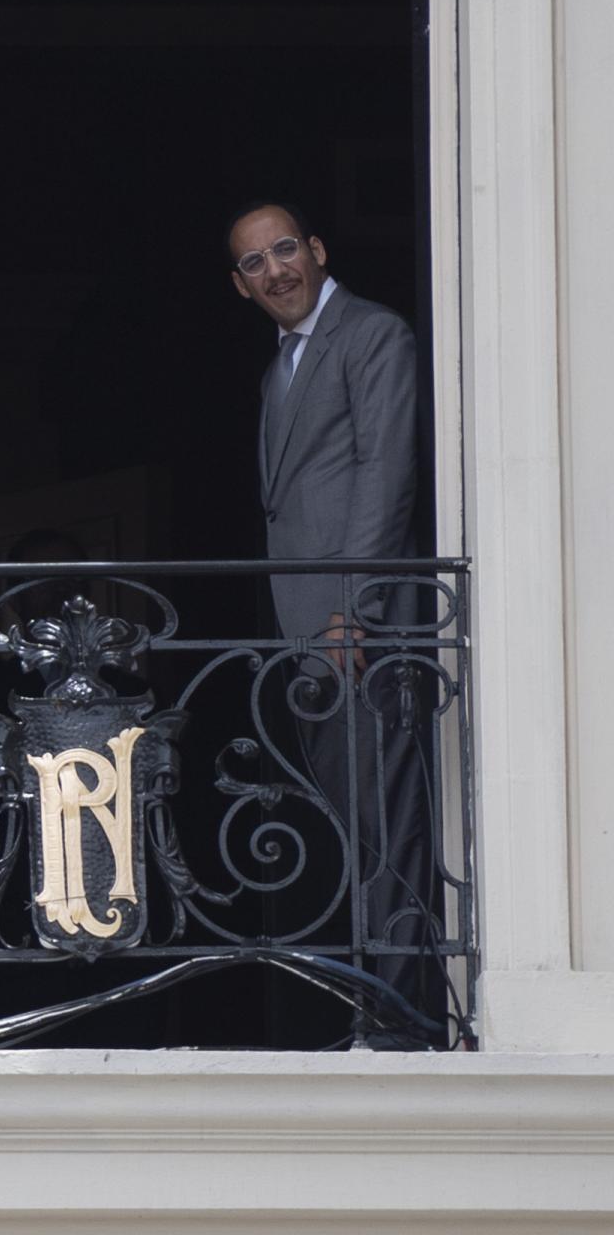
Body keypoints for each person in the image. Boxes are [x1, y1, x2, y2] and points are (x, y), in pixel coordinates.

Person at [225, 199, 438, 1038]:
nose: (276, 270)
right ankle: (374, 1008)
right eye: (254, 263)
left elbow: (385, 480)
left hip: (364, 632)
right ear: (239, 286)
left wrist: (354, 614)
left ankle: (401, 1019)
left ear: (316, 249)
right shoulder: (281, 364)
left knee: (388, 829)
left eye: (285, 250)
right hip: (312, 641)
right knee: (356, 830)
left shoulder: (372, 335)